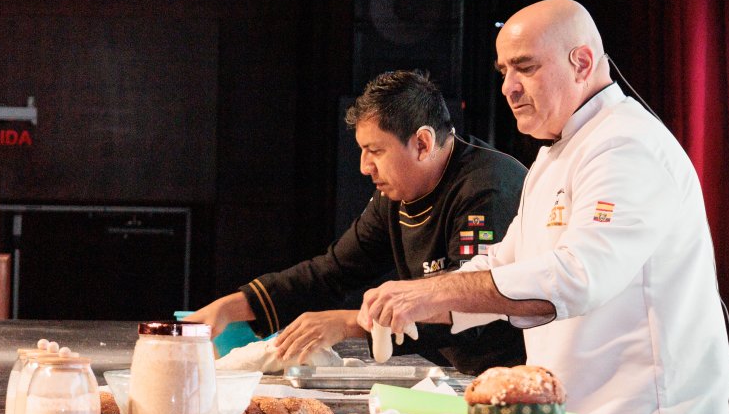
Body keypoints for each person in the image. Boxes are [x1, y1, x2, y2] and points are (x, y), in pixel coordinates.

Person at [358, 0, 729, 414]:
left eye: (525, 68)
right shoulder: (554, 154)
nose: (508, 88)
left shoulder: (626, 143)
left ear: (581, 62)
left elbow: (581, 276)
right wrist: (412, 302)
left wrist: (431, 291)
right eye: (503, 71)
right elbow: (504, 260)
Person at [187, 70, 528, 375]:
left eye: (376, 151)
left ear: (422, 143)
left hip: (517, 375)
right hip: (458, 372)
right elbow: (331, 272)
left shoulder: (487, 188)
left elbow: (473, 307)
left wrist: (350, 324)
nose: (365, 167)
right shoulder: (395, 195)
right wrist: (228, 308)